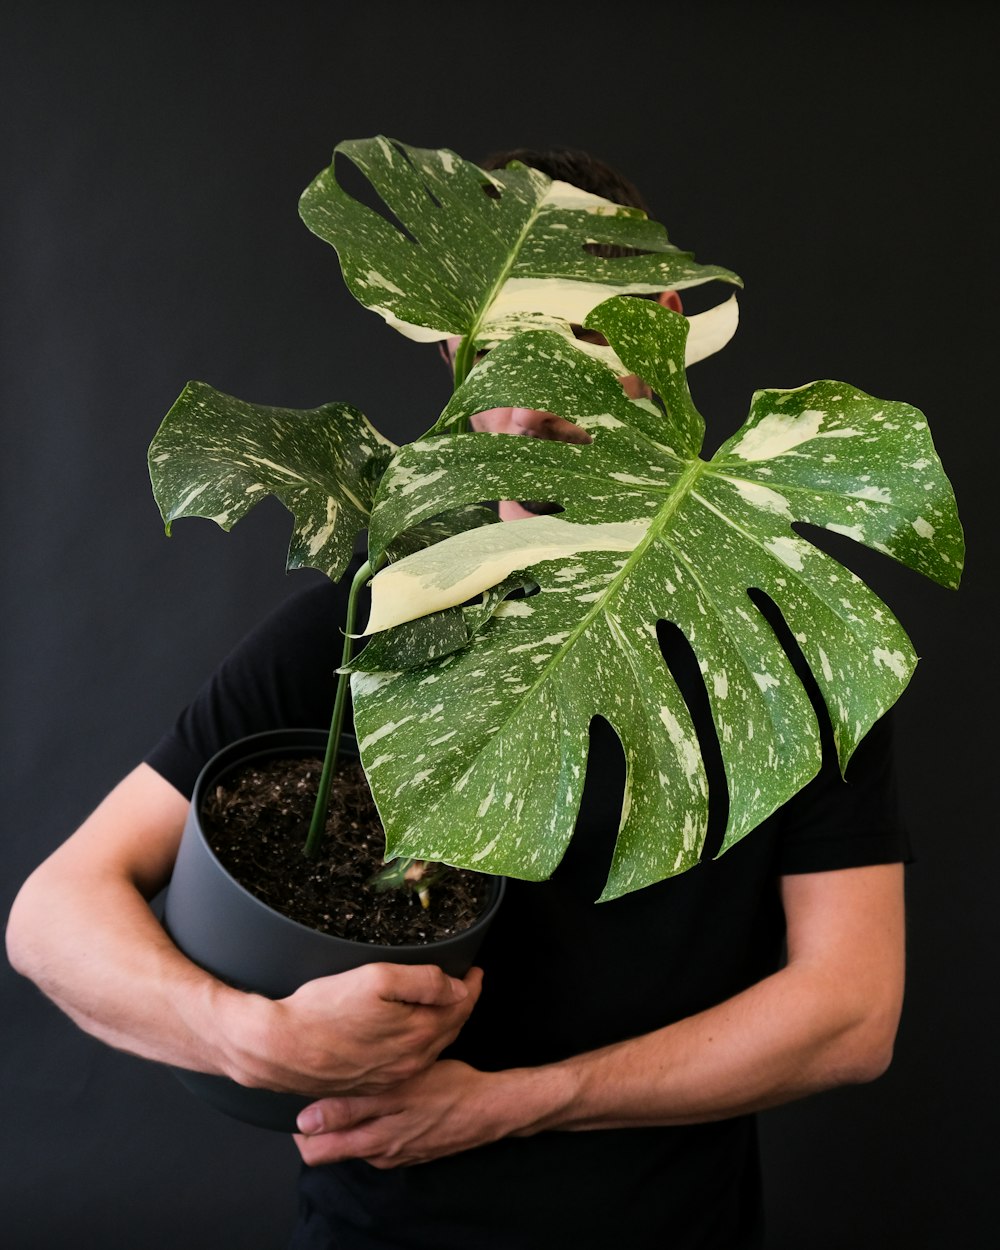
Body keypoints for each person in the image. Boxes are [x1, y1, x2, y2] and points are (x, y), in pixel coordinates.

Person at [6, 147, 908, 1250]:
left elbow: (852, 1010)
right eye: (490, 356)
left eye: (569, 344)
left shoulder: (786, 648)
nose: (524, 417)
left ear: (660, 323)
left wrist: (521, 1099)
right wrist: (246, 1036)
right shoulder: (374, 613)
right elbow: (53, 913)